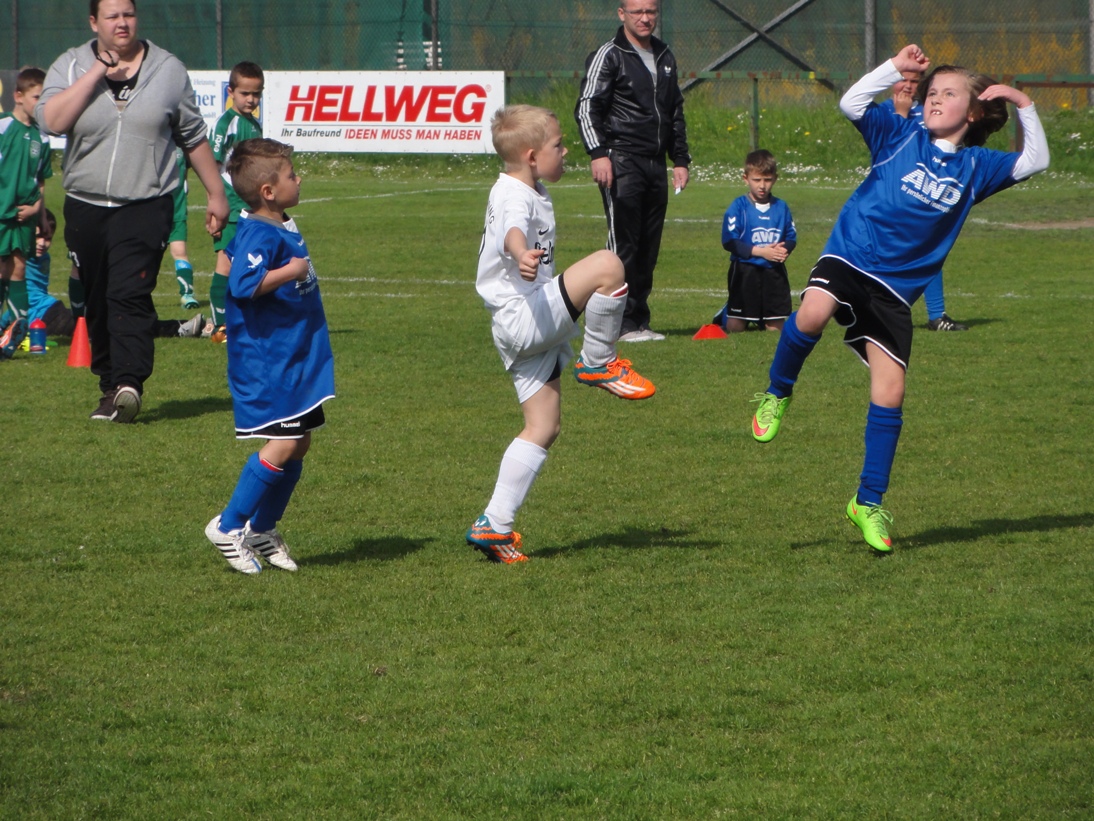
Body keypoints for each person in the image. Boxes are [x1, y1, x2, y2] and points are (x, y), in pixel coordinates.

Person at [748, 44, 1048, 553]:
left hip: (894, 291)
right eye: (932, 91)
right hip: (851, 255)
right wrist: (895, 68)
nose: (934, 99)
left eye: (948, 93)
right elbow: (850, 103)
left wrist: (1023, 102)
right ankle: (778, 392)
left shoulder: (977, 167)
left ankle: (867, 502)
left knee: (890, 391)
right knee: (813, 313)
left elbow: (1036, 160)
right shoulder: (899, 132)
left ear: (974, 113)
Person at [466, 105, 656, 565]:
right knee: (608, 266)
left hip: (521, 324)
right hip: (523, 317)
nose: (566, 151)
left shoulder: (526, 186)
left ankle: (494, 524)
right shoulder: (514, 194)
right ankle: (598, 361)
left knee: (543, 426)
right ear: (532, 156)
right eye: (558, 144)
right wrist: (520, 252)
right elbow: (512, 229)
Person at [36, 0, 228, 423]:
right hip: (86, 205)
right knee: (98, 300)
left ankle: (129, 383)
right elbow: (52, 121)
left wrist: (216, 193)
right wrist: (96, 72)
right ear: (94, 22)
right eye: (112, 16)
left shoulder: (167, 69)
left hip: (146, 204)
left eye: (128, 14)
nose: (122, 23)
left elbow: (193, 136)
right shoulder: (70, 65)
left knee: (129, 293)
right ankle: (110, 388)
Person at [204, 138, 334, 575]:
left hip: (295, 358)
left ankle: (262, 528)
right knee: (285, 443)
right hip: (270, 363)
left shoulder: (275, 223)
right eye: (292, 175)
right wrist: (291, 270)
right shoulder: (260, 232)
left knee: (300, 442)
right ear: (268, 191)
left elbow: (233, 264)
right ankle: (228, 526)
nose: (299, 179)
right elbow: (242, 284)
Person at [575, 0, 690, 342]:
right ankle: (618, 323)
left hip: (655, 164)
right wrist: (598, 153)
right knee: (623, 245)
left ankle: (639, 321)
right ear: (621, 13)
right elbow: (587, 107)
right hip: (621, 159)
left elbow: (674, 110)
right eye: (637, 12)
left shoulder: (665, 55)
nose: (645, 18)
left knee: (648, 248)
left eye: (651, 11)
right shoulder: (609, 55)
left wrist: (680, 159)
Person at [1, 209, 204, 343]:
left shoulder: (42, 258)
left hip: (51, 311)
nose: (42, 243)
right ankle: (177, 328)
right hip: (45, 318)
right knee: (111, 326)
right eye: (37, 236)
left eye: (47, 238)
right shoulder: (19, 255)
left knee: (112, 322)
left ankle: (177, 327)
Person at [882, 68, 968, 332]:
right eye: (903, 81)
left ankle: (937, 315)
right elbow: (887, 145)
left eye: (914, 82)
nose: (908, 86)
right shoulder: (885, 110)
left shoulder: (930, 112)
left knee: (929, 251)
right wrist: (900, 114)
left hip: (926, 195)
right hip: (893, 193)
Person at [206, 61, 264, 343]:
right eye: (245, 93)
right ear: (231, 92)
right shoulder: (225, 125)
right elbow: (211, 166)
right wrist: (214, 206)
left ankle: (245, 321)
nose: (251, 99)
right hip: (229, 208)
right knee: (226, 265)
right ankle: (220, 327)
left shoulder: (254, 124)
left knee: (250, 264)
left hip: (250, 208)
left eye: (256, 94)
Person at [712, 149, 796, 333]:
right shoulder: (738, 206)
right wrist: (762, 252)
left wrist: (784, 250)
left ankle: (762, 317)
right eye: (757, 180)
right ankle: (726, 313)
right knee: (735, 328)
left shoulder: (781, 207)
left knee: (775, 329)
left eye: (767, 180)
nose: (762, 185)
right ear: (746, 179)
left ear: (775, 179)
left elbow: (791, 236)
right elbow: (729, 241)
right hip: (745, 270)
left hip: (773, 270)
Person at [0, 67, 52, 359]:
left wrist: (38, 212)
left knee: (19, 269)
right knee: (1, 270)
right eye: (36, 97)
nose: (40, 103)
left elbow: (40, 180)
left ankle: (15, 332)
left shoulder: (41, 137)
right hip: (1, 212)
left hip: (25, 217)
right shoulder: (3, 127)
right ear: (18, 96)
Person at [169, 146, 199, 310]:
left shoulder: (182, 147)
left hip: (177, 211)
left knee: (180, 252)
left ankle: (187, 294)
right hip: (152, 212)